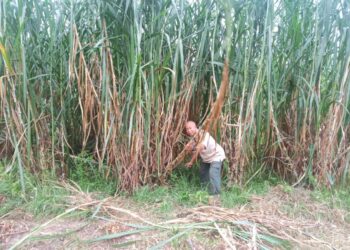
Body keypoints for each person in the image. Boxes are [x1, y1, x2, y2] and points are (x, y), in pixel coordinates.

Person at [184, 121, 225, 196]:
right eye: (187, 129)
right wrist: (188, 148)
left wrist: (191, 162)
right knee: (203, 173)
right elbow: (192, 149)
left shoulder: (204, 135)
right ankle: (205, 191)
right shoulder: (194, 138)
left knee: (213, 173)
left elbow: (200, 148)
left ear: (195, 127)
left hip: (216, 155)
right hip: (206, 158)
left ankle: (216, 195)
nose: (189, 131)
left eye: (190, 128)